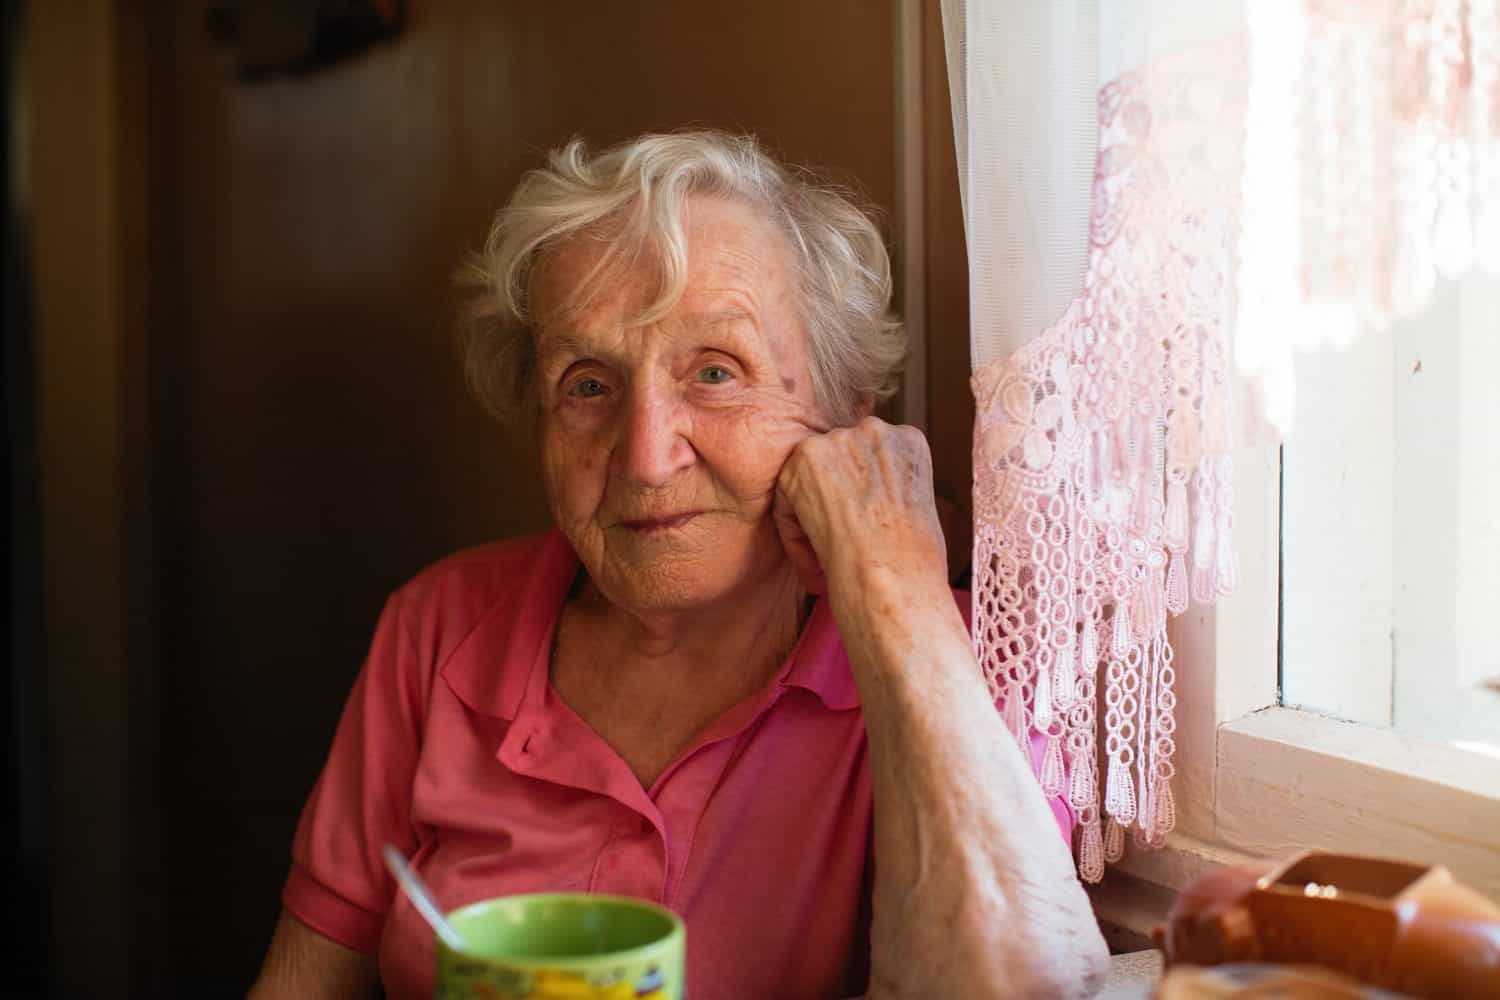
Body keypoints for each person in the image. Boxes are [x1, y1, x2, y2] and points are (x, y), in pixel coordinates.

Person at [248, 131, 1108, 1000]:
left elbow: (1015, 983)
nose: (647, 458)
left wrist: (890, 584)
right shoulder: (442, 628)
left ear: (848, 408)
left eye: (715, 372)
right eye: (588, 385)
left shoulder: (968, 661)